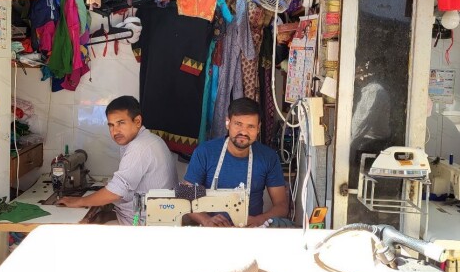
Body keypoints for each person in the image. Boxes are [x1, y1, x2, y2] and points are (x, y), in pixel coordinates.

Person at [57, 96, 178, 225]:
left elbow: (116, 192)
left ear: (137, 121)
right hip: (153, 215)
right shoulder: (152, 139)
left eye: (121, 123)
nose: (115, 131)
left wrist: (78, 201)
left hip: (140, 224)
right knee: (97, 216)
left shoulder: (139, 147)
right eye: (111, 125)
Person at [183, 97, 289, 227]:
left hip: (250, 232)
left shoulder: (268, 157)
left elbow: (282, 206)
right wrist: (206, 220)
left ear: (258, 128)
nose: (243, 132)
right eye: (238, 124)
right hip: (211, 232)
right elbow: (186, 195)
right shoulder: (205, 152)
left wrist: (259, 220)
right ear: (227, 123)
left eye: (251, 126)